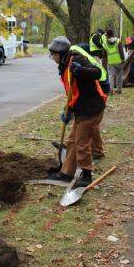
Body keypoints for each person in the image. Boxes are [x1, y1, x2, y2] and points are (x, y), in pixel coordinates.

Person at [48, 36, 108, 188]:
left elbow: (97, 72)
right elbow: (72, 90)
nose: (52, 58)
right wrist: (68, 110)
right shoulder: (64, 65)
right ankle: (66, 173)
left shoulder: (77, 60)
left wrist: (81, 70)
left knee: (81, 142)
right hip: (81, 108)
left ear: (59, 53)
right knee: (73, 141)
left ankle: (87, 175)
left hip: (91, 108)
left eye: (53, 54)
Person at [104, 28, 125, 94]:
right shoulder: (118, 41)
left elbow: (104, 54)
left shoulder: (105, 43)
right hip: (119, 61)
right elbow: (121, 52)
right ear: (113, 34)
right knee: (120, 76)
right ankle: (119, 90)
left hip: (110, 62)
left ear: (107, 35)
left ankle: (111, 90)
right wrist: (123, 59)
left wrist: (104, 63)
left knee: (111, 76)